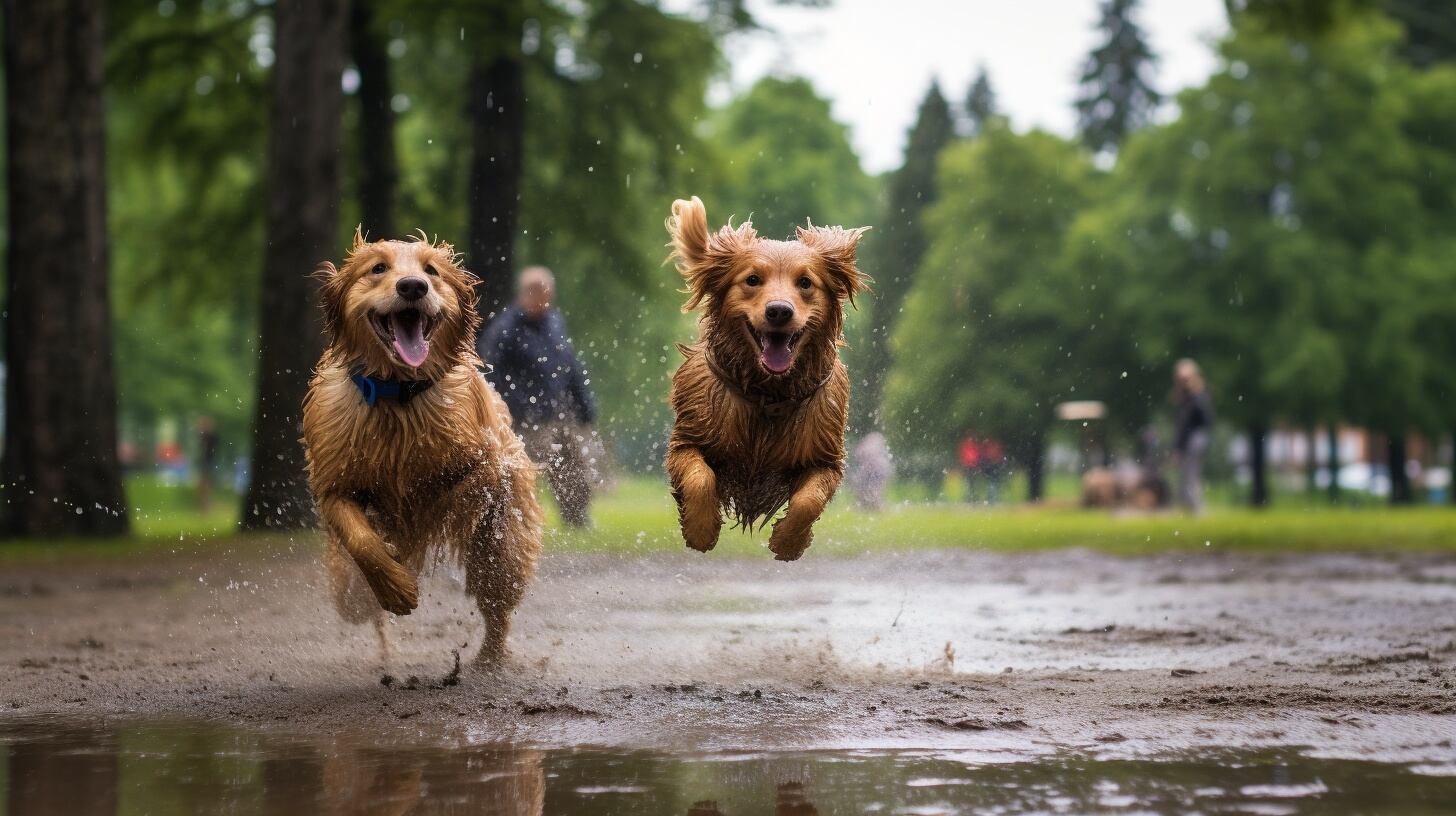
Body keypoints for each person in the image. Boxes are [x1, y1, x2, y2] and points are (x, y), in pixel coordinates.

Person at [479, 266, 601, 526]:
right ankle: (516, 522)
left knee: (574, 467)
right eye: (541, 293)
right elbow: (492, 374)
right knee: (524, 472)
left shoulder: (554, 322)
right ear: (527, 294)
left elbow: (571, 365)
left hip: (558, 413)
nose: (546, 299)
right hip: (523, 419)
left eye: (549, 294)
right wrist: (513, 408)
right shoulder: (506, 329)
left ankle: (577, 520)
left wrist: (584, 406)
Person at [1172, 358, 1214, 513]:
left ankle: (1195, 507)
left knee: (1191, 473)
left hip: (1196, 439)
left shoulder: (1198, 395)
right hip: (1190, 439)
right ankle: (1188, 505)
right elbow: (1180, 424)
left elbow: (1205, 419)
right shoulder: (1185, 397)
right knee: (1187, 473)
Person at [848, 432, 893, 512]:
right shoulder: (876, 440)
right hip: (878, 470)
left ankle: (872, 507)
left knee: (869, 491)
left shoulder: (868, 444)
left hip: (876, 471)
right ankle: (872, 507)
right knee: (871, 491)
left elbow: (859, 455)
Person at [196, 416, 219, 512]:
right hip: (207, 462)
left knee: (205, 483)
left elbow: (209, 448)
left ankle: (205, 505)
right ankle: (204, 504)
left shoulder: (210, 437)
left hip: (208, 462)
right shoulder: (206, 436)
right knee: (204, 483)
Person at [958, 434, 981, 503]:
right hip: (969, 466)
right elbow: (966, 456)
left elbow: (975, 456)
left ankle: (971, 498)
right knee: (969, 483)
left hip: (971, 467)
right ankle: (970, 498)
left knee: (971, 483)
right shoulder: (968, 446)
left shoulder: (971, 446)